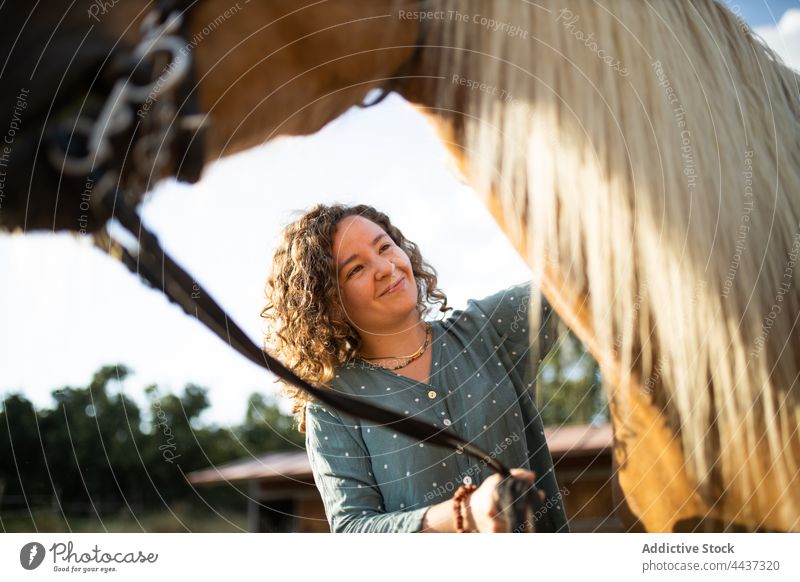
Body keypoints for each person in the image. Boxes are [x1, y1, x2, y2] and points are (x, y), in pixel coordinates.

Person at [261, 203, 569, 533]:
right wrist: (464, 514)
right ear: (329, 302)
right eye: (355, 270)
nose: (384, 267)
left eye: (384, 247)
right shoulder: (332, 404)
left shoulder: (488, 328)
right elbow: (353, 529)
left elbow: (579, 276)